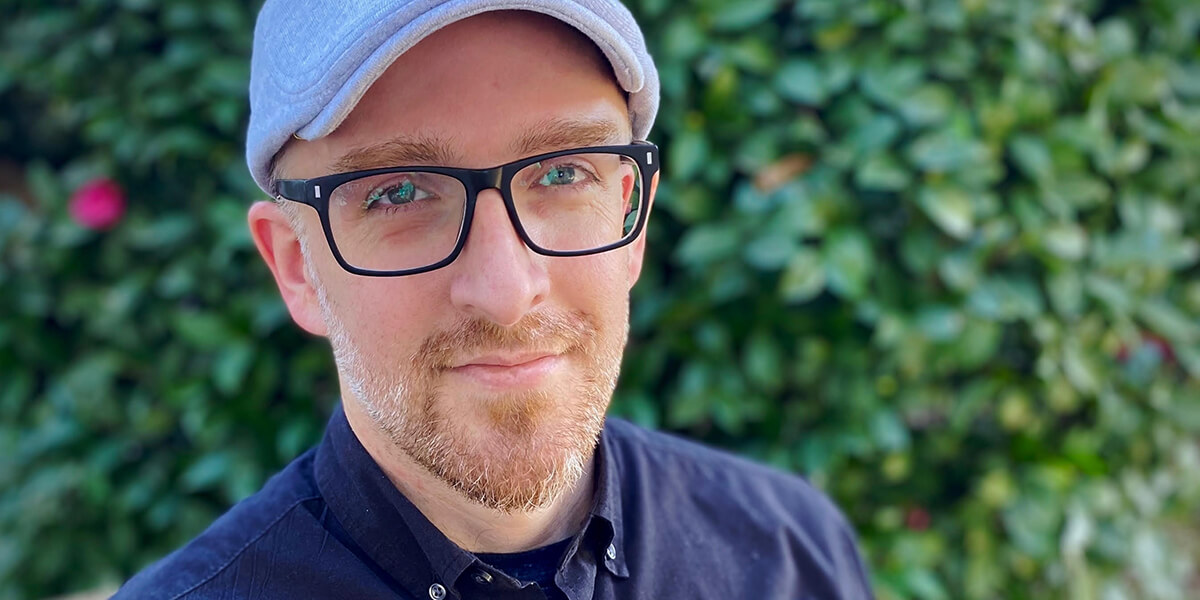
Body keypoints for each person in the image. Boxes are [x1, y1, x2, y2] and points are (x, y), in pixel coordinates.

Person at [115, 1, 874, 598]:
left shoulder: (788, 554)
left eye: (563, 174)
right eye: (399, 192)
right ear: (296, 268)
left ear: (631, 220)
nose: (507, 294)